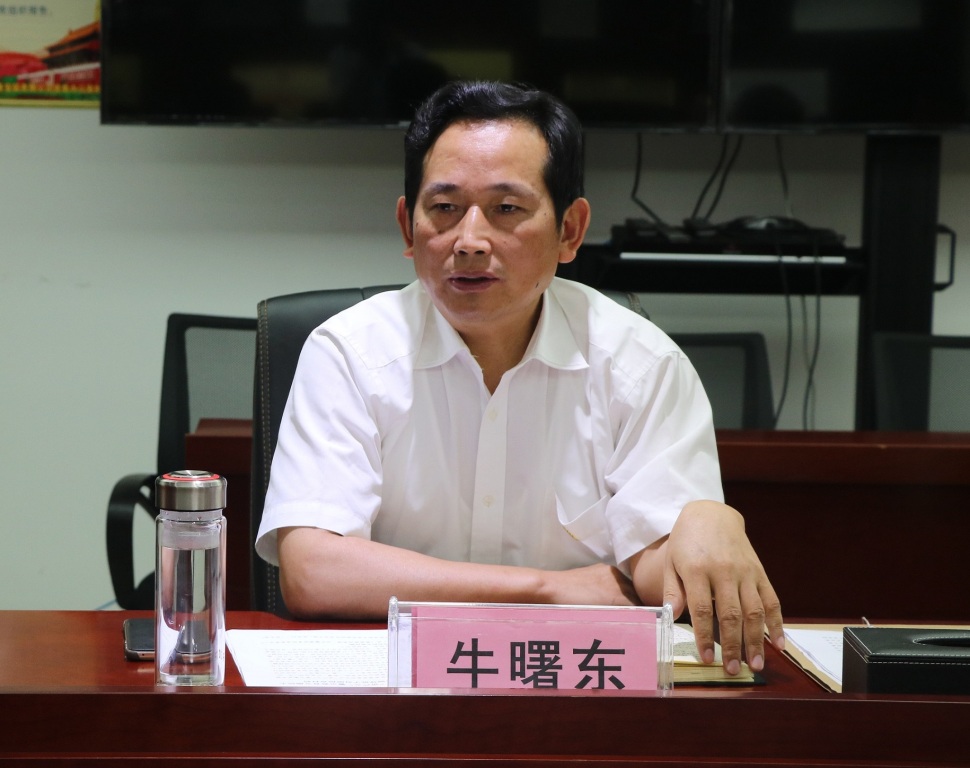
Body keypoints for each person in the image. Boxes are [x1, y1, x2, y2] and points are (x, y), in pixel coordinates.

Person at [256, 80, 784, 675]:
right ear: (408, 227)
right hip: (395, 694)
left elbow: (657, 579)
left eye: (507, 209)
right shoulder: (350, 354)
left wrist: (701, 524)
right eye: (444, 208)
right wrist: (546, 589)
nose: (469, 241)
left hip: (577, 687)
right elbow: (312, 571)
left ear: (570, 231)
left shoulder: (641, 364)